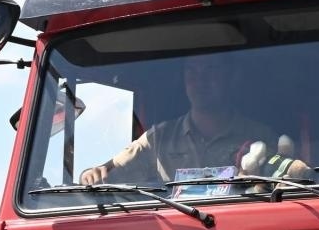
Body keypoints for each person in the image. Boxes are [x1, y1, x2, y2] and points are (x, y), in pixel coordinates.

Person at [79, 57, 276, 187]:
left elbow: (287, 187)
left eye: (211, 71)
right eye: (192, 72)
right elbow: (106, 173)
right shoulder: (158, 139)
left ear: (231, 77)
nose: (200, 81)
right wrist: (89, 175)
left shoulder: (261, 137)